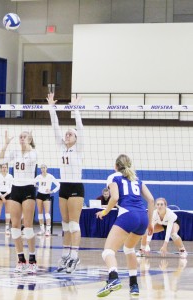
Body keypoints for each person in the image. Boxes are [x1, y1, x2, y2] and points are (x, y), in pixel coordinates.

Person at [95, 154, 154, 297]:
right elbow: (151, 200)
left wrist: (104, 212)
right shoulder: (136, 179)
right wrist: (150, 223)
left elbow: (114, 198)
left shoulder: (114, 177)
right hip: (142, 217)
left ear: (116, 166)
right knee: (129, 249)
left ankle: (113, 278)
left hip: (128, 215)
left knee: (108, 251)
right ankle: (134, 285)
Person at [46, 92, 84, 273]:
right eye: (66, 133)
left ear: (76, 138)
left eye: (71, 133)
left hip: (76, 186)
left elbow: (80, 128)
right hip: (64, 187)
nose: (67, 134)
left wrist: (75, 109)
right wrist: (52, 108)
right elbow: (55, 128)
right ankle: (66, 255)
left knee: (74, 224)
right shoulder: (62, 148)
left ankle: (75, 257)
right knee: (65, 224)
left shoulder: (79, 149)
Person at [0, 130, 38, 273]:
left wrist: (27, 145)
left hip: (28, 188)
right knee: (14, 226)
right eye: (20, 136)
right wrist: (6, 144)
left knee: (27, 226)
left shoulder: (33, 153)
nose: (21, 138)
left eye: (24, 136)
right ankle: (21, 259)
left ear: (30, 138)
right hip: (16, 188)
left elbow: (31, 160)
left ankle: (32, 259)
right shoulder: (14, 152)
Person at [34, 164, 60, 236]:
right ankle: (42, 230)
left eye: (44, 168)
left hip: (46, 195)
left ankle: (47, 230)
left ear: (46, 168)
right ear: (40, 169)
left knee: (47, 213)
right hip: (39, 194)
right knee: (40, 212)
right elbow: (33, 183)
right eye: (42, 168)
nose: (43, 169)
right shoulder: (38, 177)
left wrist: (52, 191)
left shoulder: (50, 176)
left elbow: (58, 185)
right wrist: (38, 186)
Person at [0, 164, 13, 235]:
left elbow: (10, 188)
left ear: (7, 168)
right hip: (0, 194)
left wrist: (5, 195)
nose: (4, 169)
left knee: (8, 212)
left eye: (5, 167)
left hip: (7, 194)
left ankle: (7, 228)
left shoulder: (10, 176)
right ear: (1, 168)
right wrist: (1, 196)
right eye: (3, 167)